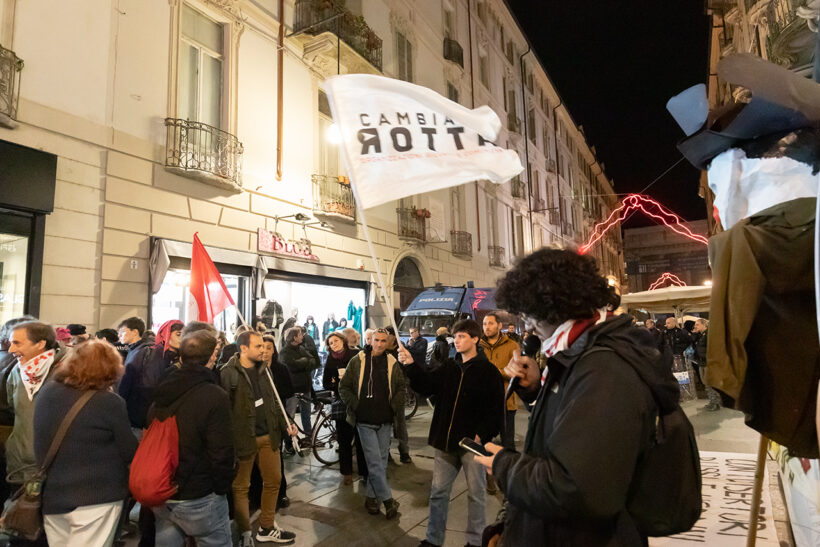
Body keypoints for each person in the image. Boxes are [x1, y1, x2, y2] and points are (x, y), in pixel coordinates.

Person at [474, 248, 680, 545]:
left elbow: (576, 489)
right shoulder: (580, 354)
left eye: (529, 314)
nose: (528, 326)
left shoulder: (604, 369)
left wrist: (504, 466)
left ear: (553, 306)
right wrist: (535, 391)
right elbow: (571, 430)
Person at [398, 320, 505, 547]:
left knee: (476, 495)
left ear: (475, 339)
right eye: (455, 336)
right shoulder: (449, 367)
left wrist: (481, 435)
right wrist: (411, 365)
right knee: (438, 493)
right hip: (445, 442)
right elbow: (427, 385)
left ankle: (475, 541)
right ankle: (433, 539)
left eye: (462, 336)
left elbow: (496, 409)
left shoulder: (488, 372)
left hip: (471, 445)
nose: (457, 340)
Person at [33, 339, 137, 547]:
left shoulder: (47, 392)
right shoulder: (109, 402)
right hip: (96, 497)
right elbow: (129, 451)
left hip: (53, 496)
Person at [149, 330, 234, 547]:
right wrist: (221, 488)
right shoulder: (214, 396)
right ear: (212, 357)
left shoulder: (163, 389)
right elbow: (221, 451)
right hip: (200, 494)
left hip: (163, 489)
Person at [220, 331, 298, 546]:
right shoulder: (228, 373)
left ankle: (267, 526)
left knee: (274, 480)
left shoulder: (265, 370)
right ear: (243, 348)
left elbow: (274, 401)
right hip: (243, 440)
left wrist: (286, 423)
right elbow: (223, 412)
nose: (263, 350)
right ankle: (244, 533)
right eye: (258, 346)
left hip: (268, 436)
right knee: (241, 487)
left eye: (264, 346)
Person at [338, 328, 404, 519]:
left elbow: (401, 387)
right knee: (375, 462)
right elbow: (344, 387)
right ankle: (388, 500)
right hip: (364, 420)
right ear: (370, 340)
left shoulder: (392, 362)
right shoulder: (357, 360)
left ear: (388, 342)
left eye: (384, 341)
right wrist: (356, 405)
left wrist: (394, 406)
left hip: (385, 421)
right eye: (377, 340)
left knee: (380, 463)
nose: (380, 344)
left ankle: (371, 498)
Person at [6, 322, 67, 512]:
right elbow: (13, 406)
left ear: (40, 344)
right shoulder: (17, 370)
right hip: (19, 465)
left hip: (54, 468)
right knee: (20, 520)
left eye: (17, 343)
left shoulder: (66, 372)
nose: (10, 350)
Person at [118, 320, 183, 439]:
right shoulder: (157, 353)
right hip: (144, 420)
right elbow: (149, 388)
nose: (182, 338)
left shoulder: (174, 356)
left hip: (156, 419)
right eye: (178, 334)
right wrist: (145, 420)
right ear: (165, 333)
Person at [322, 332, 367, 485]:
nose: (334, 344)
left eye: (336, 340)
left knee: (361, 439)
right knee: (343, 439)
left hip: (358, 399)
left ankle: (364, 472)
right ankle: (346, 472)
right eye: (331, 343)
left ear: (343, 341)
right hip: (341, 401)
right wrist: (337, 385)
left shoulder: (355, 354)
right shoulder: (330, 359)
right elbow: (326, 383)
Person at [480, 313, 520, 452]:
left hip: (506, 402)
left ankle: (508, 466)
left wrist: (495, 372)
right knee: (483, 444)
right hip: (483, 403)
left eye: (490, 323)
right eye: (484, 324)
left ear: (499, 325)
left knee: (508, 445)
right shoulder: (478, 346)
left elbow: (516, 372)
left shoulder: (512, 345)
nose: (487, 327)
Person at [280, 327, 319, 445]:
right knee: (289, 418)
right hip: (293, 389)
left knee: (306, 415)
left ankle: (309, 438)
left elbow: (313, 362)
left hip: (305, 387)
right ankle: (288, 443)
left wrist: (302, 362)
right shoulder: (285, 352)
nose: (302, 336)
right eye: (300, 334)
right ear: (294, 337)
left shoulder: (301, 348)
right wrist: (305, 361)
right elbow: (291, 367)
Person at [384, 326, 411, 463]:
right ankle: (386, 452)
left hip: (397, 393)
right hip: (383, 394)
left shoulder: (400, 351)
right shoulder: (381, 352)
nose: (384, 338)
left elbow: (406, 371)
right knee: (385, 426)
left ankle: (404, 452)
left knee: (400, 424)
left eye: (387, 335)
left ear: (394, 336)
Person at [692, 319, 720, 411]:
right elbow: (694, 344)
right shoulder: (701, 335)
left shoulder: (708, 334)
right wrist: (694, 334)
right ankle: (714, 402)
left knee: (709, 384)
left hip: (708, 363)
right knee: (706, 383)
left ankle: (714, 403)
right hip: (702, 362)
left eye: (697, 324)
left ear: (704, 325)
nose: (695, 326)